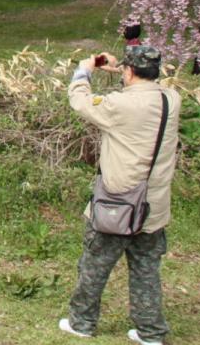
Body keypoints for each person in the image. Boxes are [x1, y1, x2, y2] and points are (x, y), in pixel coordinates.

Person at [59, 45, 180, 345]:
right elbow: (146, 91)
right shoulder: (171, 99)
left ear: (128, 72)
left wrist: (88, 67)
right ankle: (150, 332)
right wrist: (122, 71)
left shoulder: (120, 106)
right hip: (153, 206)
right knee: (146, 269)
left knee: (95, 265)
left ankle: (82, 322)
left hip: (118, 204)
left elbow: (79, 99)